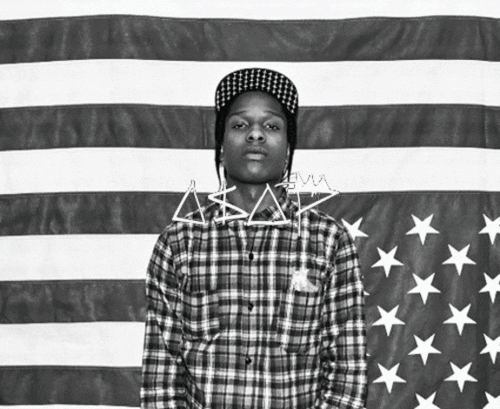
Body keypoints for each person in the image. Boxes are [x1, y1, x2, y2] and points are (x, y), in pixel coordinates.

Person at [141, 68, 367, 408]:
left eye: (272, 126)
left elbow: (346, 376)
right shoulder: (178, 244)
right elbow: (162, 381)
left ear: (288, 149)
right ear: (220, 147)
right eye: (240, 125)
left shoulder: (328, 241)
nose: (256, 134)